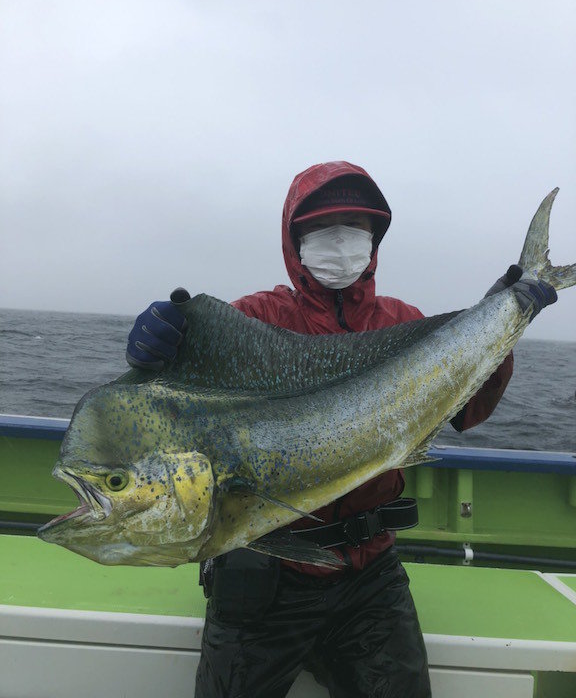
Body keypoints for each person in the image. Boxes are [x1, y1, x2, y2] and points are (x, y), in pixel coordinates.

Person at [126, 161, 557, 698]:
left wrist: (498, 330)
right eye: (322, 229)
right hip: (262, 572)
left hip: (369, 575)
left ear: (374, 241)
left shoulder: (404, 323)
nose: (340, 241)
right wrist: (158, 353)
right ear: (295, 240)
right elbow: (181, 403)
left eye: (356, 228)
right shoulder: (253, 318)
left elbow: (467, 413)